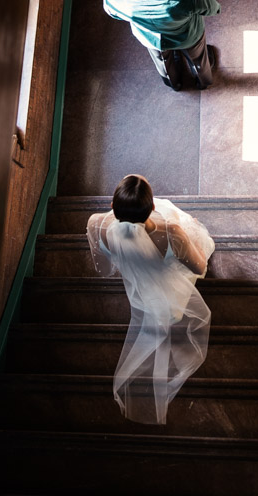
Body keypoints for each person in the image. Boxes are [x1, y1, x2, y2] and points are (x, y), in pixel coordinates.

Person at [86, 174, 215, 425]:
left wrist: (130, 255)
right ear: (152, 208)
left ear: (112, 207)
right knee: (194, 235)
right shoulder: (171, 233)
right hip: (172, 300)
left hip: (141, 293)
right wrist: (188, 237)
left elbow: (103, 270)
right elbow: (200, 268)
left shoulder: (95, 225)